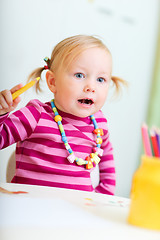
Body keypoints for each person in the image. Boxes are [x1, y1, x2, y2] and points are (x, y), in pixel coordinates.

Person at [0, 35, 126, 195]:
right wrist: (2, 112)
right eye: (79, 75)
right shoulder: (36, 115)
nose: (91, 87)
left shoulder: (98, 125)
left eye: (100, 79)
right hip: (31, 207)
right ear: (52, 82)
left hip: (76, 211)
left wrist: (103, 198)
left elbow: (107, 162)